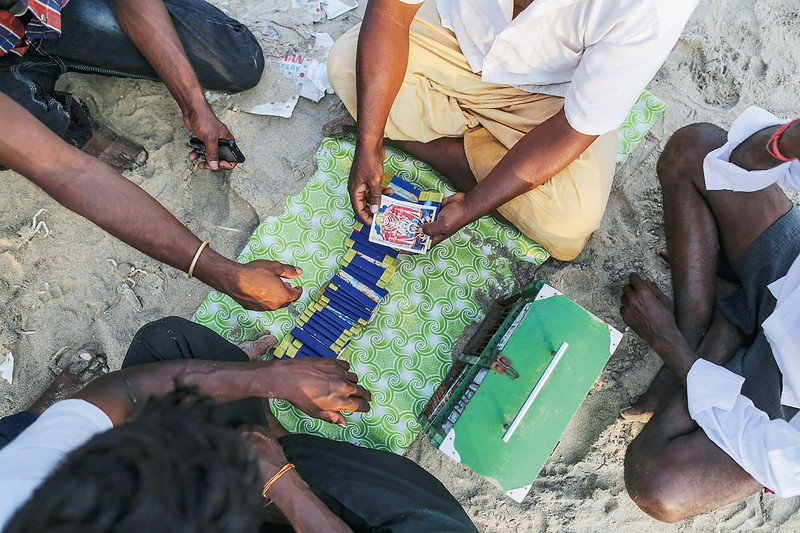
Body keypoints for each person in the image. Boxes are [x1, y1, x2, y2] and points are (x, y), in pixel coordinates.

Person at [0, 317, 478, 532]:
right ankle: (275, 455)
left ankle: (269, 433)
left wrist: (272, 377)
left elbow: (124, 392)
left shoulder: (19, 487)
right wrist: (282, 484)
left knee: (167, 343)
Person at [327, 0, 698, 260]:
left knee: (570, 226)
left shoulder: (656, 6)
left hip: (554, 95)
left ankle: (453, 144)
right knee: (347, 64)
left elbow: (573, 130)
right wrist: (370, 142)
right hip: (458, 37)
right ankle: (491, 155)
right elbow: (392, 12)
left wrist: (474, 204)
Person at [619, 107, 800, 521]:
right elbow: (741, 165)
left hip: (788, 402)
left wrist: (670, 345)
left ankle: (715, 334)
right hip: (790, 277)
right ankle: (710, 324)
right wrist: (783, 142)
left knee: (659, 486)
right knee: (695, 148)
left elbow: (783, 460)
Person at [0, 92, 304, 311]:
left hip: (37, 26)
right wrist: (221, 272)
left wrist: (194, 107)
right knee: (30, 115)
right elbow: (71, 172)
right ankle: (60, 122)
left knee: (240, 64)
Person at [0, 0, 263, 172]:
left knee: (238, 64)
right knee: (19, 141)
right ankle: (71, 124)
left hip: (59, 8)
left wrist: (193, 104)